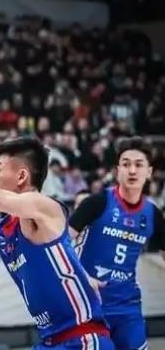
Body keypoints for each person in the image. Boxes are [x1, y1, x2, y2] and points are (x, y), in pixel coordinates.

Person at [0, 99, 114, 349]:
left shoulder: (44, 209)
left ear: (21, 176)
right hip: (50, 341)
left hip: (83, 338)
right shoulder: (0, 231)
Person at [70, 137, 165, 349]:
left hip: (127, 306)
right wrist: (82, 275)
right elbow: (59, 244)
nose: (132, 170)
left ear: (149, 172)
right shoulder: (97, 202)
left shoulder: (153, 214)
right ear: (117, 170)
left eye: (138, 165)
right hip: (90, 304)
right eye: (126, 164)